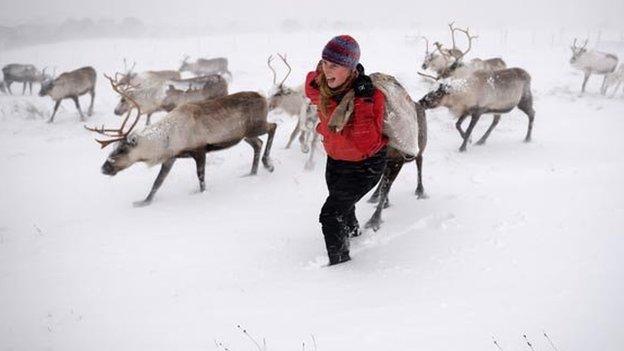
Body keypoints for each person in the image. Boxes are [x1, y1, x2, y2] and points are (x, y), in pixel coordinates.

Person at [305, 35, 388, 266]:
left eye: (334, 65)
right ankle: (353, 234)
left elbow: (367, 143)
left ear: (351, 69)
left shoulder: (371, 97)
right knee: (342, 205)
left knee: (330, 214)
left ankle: (341, 265)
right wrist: (320, 73)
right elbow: (310, 85)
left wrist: (363, 101)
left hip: (366, 164)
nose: (326, 70)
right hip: (336, 160)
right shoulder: (322, 87)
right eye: (324, 62)